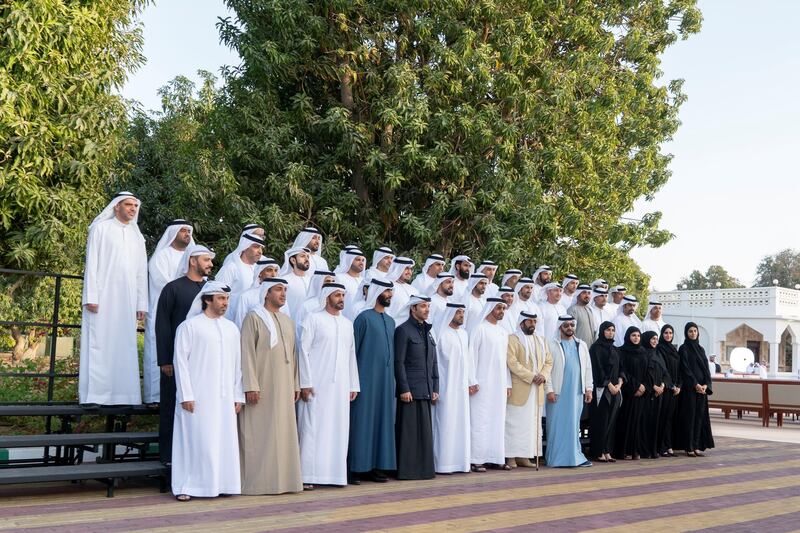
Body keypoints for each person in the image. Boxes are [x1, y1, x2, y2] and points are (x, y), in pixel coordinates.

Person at [171, 281, 244, 501]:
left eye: (227, 299)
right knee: (195, 440)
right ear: (207, 299)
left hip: (224, 398)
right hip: (197, 396)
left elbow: (237, 365)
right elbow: (180, 363)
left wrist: (237, 395)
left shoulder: (231, 328)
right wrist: (186, 394)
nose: (225, 303)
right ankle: (187, 486)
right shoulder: (189, 326)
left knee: (221, 441)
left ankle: (221, 484)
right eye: (221, 299)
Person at [79, 192, 148, 406]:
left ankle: (124, 396)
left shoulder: (138, 236)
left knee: (124, 345)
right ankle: (96, 396)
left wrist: (141, 303)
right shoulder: (101, 229)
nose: (132, 209)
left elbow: (140, 272)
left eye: (135, 206)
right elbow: (92, 264)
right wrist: (91, 296)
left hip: (126, 300)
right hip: (102, 297)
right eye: (128, 205)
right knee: (99, 343)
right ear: (116, 206)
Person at [238, 278, 302, 495]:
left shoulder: (287, 321)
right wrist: (250, 385)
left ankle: (284, 482)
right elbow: (246, 353)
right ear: (266, 293)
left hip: (285, 388)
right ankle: (259, 483)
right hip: (261, 387)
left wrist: (295, 384)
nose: (283, 294)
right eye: (278, 290)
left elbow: (293, 356)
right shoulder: (253, 318)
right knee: (260, 434)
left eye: (284, 290)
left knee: (283, 435)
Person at [155, 244, 214, 465]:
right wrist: (165, 360)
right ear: (192, 260)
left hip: (203, 362)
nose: (210, 264)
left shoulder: (211, 290)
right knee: (172, 406)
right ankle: (169, 458)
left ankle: (198, 458)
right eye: (206, 260)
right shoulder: (173, 288)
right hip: (174, 362)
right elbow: (162, 325)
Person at [297, 283, 360, 489]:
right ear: (326, 297)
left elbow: (351, 356)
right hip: (316, 384)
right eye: (337, 295)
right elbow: (302, 352)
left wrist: (353, 384)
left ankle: (334, 475)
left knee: (338, 428)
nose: (341, 298)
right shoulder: (313, 319)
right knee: (312, 427)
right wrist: (305, 382)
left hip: (340, 386)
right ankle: (308, 475)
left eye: (343, 294)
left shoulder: (347, 324)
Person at [349, 278, 397, 483]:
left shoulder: (391, 321)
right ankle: (357, 468)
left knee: (382, 423)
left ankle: (378, 466)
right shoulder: (363, 318)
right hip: (365, 380)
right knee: (363, 422)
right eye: (386, 291)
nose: (390, 295)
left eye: (391, 292)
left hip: (385, 382)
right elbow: (353, 352)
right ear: (377, 292)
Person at [143, 219, 194, 405]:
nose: (187, 234)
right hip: (163, 311)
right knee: (160, 350)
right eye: (183, 231)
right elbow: (163, 284)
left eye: (189, 231)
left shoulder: (192, 258)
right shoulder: (161, 257)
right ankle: (154, 397)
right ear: (173, 233)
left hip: (186, 313)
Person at [394, 295, 439, 480]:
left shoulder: (428, 331)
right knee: (409, 434)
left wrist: (435, 387)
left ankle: (424, 471)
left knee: (424, 434)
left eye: (428, 306)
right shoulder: (403, 331)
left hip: (426, 390)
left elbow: (433, 362)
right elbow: (399, 362)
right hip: (410, 391)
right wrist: (404, 388)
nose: (427, 309)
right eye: (423, 306)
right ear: (413, 309)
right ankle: (407, 472)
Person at [431, 303, 475, 474]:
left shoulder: (464, 334)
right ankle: (442, 464)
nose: (461, 315)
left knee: (461, 423)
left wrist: (471, 381)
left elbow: (468, 360)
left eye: (463, 312)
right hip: (445, 386)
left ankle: (460, 463)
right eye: (458, 312)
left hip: (462, 387)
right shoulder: (440, 333)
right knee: (445, 424)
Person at [469, 297, 512, 472]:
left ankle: (496, 458)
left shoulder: (503, 332)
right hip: (482, 383)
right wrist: (472, 380)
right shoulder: (479, 329)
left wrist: (508, 383)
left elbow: (505, 361)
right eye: (498, 308)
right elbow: (471, 356)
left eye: (503, 308)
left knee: (497, 420)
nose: (502, 311)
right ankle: (477, 459)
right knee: (480, 420)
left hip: (499, 383)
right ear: (490, 309)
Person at [505, 311, 552, 468]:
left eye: (534, 321)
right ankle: (510, 456)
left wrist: (543, 375)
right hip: (521, 387)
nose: (532, 324)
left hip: (536, 389)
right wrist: (532, 376)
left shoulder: (541, 340)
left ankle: (525, 456)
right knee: (514, 423)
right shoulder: (513, 339)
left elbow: (548, 361)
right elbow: (512, 362)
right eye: (529, 321)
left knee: (532, 424)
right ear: (522, 323)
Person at [545, 315, 593, 468]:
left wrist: (589, 389)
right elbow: (547, 370)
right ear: (560, 327)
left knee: (573, 425)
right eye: (566, 325)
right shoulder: (552, 345)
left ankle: (574, 458)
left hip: (576, 392)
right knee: (557, 426)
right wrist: (549, 390)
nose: (570, 328)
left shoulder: (582, 345)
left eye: (572, 325)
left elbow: (587, 368)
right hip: (558, 392)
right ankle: (556, 459)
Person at [675, 322, 715, 457]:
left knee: (699, 417)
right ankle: (689, 446)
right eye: (690, 331)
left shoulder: (701, 349)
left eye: (695, 331)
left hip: (701, 391)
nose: (693, 333)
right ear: (686, 333)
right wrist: (695, 384)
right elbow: (685, 369)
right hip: (689, 390)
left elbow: (706, 369)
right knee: (690, 417)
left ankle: (697, 445)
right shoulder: (683, 348)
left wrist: (706, 385)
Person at [588, 321, 623, 463]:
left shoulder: (615, 349)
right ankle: (598, 451)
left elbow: (621, 368)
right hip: (602, 390)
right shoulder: (596, 348)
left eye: (613, 330)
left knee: (611, 421)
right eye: (608, 330)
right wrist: (609, 384)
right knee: (601, 421)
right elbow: (598, 369)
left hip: (616, 390)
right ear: (602, 331)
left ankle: (607, 450)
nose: (610, 332)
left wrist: (619, 384)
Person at [614, 326, 647, 460]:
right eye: (633, 335)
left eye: (638, 336)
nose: (636, 338)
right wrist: (636, 386)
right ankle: (624, 450)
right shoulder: (622, 351)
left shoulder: (643, 351)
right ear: (628, 336)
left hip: (641, 393)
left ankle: (635, 450)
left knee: (638, 422)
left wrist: (644, 386)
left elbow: (647, 371)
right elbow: (623, 371)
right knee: (626, 421)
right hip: (628, 392)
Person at [215, 231, 266, 319]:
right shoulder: (231, 268)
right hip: (231, 321)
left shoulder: (259, 270)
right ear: (245, 247)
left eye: (261, 248)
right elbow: (218, 296)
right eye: (256, 247)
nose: (260, 251)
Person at [231, 257, 281, 328]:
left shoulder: (280, 295)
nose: (273, 275)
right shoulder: (246, 296)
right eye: (269, 270)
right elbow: (240, 323)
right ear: (260, 273)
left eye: (276, 270)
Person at [641, 330, 667, 459]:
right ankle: (645, 450)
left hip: (659, 394)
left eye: (656, 339)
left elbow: (665, 373)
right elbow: (643, 375)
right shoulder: (643, 354)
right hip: (648, 394)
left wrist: (662, 385)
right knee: (646, 422)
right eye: (652, 339)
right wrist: (653, 387)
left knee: (656, 422)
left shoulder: (659, 354)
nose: (655, 341)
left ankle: (653, 449)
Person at [657, 324, 682, 457]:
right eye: (666, 333)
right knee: (664, 418)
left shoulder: (674, 349)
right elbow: (662, 370)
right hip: (666, 388)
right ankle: (663, 446)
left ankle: (669, 445)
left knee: (671, 418)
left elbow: (679, 369)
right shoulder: (660, 349)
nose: (668, 335)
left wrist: (679, 386)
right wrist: (670, 385)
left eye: (670, 333)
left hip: (675, 390)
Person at [279, 246, 312, 320]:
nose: (306, 259)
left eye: (307, 257)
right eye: (302, 256)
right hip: (291, 324)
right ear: (293, 260)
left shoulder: (312, 280)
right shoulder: (284, 281)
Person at [386, 257, 416, 322]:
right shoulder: (387, 287)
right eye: (406, 269)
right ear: (397, 269)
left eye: (411, 269)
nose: (409, 272)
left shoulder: (413, 290)